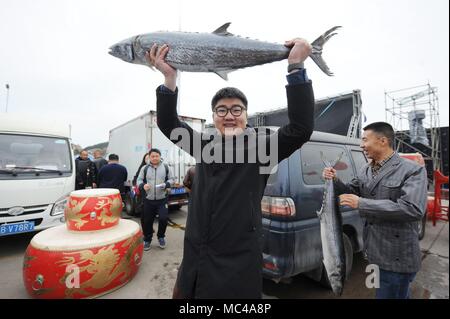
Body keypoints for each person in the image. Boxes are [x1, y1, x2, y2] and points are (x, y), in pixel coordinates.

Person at [146, 37, 314, 298]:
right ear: (214, 117)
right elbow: (168, 123)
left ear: (246, 116)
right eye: (221, 110)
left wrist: (295, 68)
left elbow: (301, 128)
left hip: (237, 263)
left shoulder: (262, 148)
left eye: (237, 109)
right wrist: (169, 77)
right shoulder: (202, 145)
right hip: (195, 258)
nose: (229, 115)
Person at [322, 122, 428, 299]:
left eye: (365, 140)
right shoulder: (366, 169)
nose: (361, 145)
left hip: (397, 258)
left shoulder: (412, 170)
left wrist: (362, 203)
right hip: (375, 254)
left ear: (383, 141)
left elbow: (413, 209)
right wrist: (335, 180)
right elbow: (352, 191)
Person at [137, 148, 174, 251]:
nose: (154, 158)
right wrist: (143, 185)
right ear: (149, 157)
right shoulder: (144, 168)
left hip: (162, 199)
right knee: (148, 221)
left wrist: (166, 184)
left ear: (160, 156)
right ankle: (147, 239)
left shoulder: (166, 167)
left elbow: (172, 179)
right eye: (152, 156)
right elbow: (138, 180)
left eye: (156, 156)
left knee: (163, 218)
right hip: (148, 200)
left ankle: (161, 236)